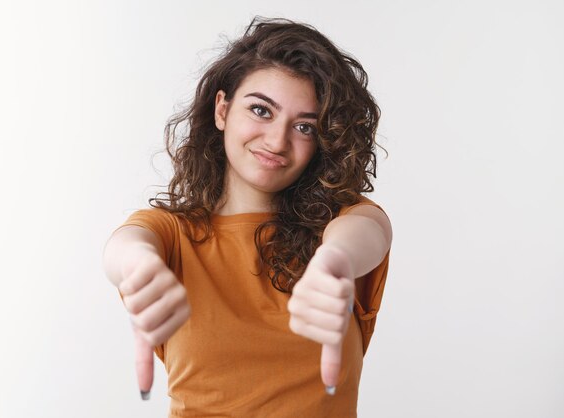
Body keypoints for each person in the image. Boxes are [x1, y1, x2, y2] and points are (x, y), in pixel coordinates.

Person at [103, 16, 392, 417]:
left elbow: (367, 235)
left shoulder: (346, 225)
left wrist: (335, 261)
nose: (277, 140)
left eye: (305, 127)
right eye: (261, 110)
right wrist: (138, 265)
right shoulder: (172, 235)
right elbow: (126, 245)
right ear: (222, 109)